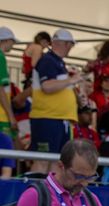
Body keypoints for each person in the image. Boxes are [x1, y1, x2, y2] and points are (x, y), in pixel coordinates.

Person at [29, 29, 81, 174]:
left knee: (55, 161)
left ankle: (49, 195)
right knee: (42, 159)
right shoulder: (48, 60)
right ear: (64, 43)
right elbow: (47, 86)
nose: (71, 48)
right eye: (70, 44)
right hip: (47, 118)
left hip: (58, 119)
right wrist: (71, 80)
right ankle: (34, 195)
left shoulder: (57, 63)